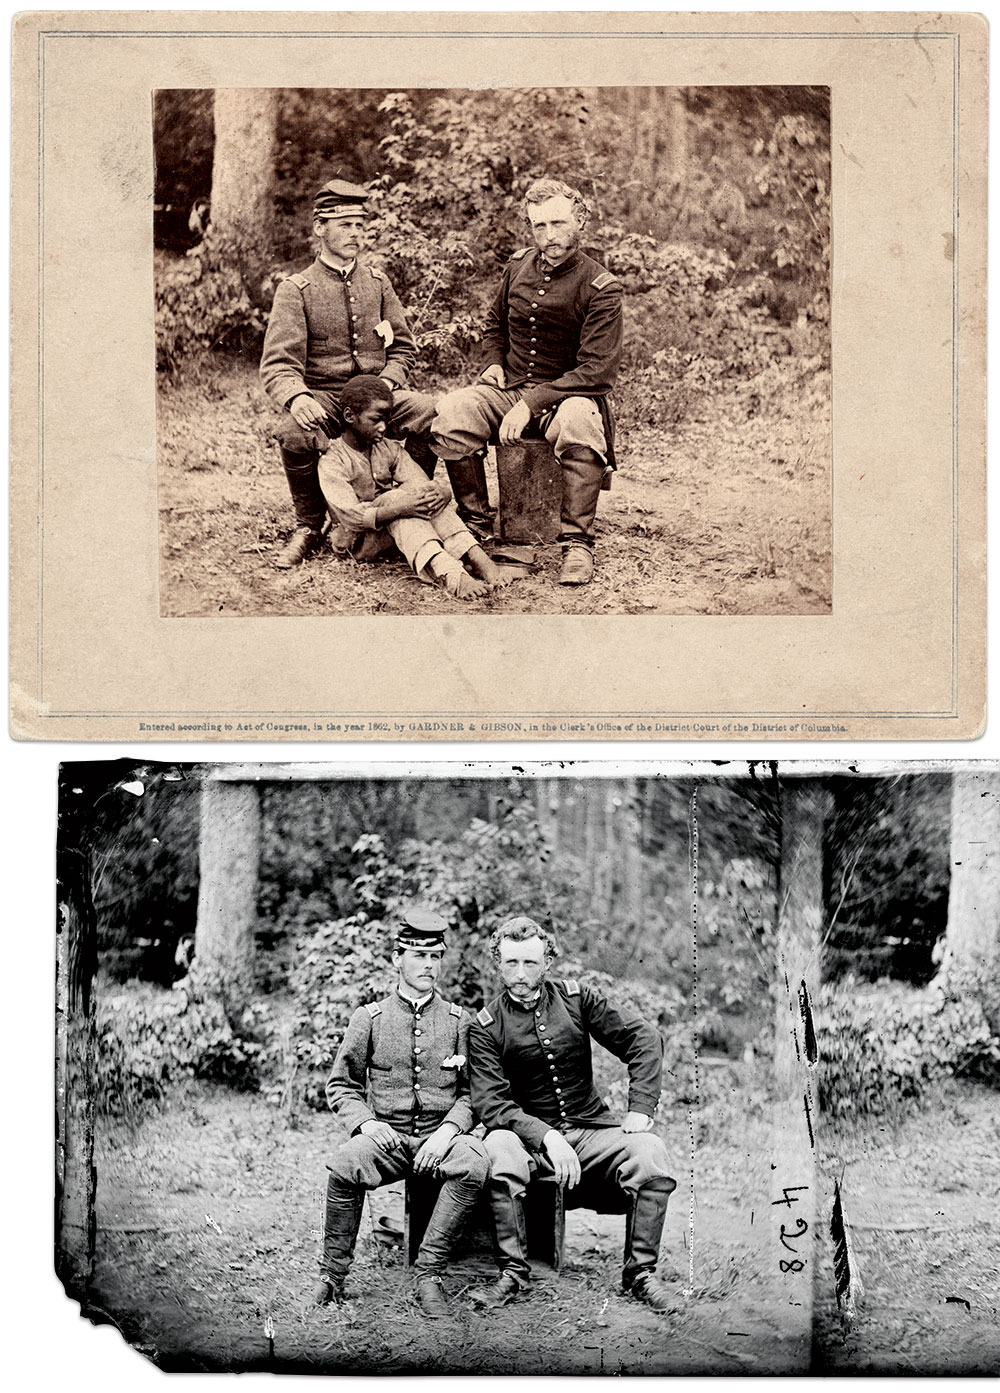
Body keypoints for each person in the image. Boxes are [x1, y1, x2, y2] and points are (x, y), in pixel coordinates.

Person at [468, 916, 677, 1312]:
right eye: (511, 963)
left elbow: (644, 1037)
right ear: (497, 963)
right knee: (498, 1145)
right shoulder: (485, 1026)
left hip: (590, 1132)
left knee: (649, 1152)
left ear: (548, 962)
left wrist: (641, 1108)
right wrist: (547, 1136)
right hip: (531, 1144)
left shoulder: (578, 998)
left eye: (530, 963)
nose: (520, 974)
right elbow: (492, 1104)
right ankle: (513, 1272)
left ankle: (640, 1275)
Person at [431, 178, 624, 585]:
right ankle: (476, 529)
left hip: (568, 395)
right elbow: (494, 324)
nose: (549, 236)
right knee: (452, 411)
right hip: (510, 387)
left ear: (581, 221)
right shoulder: (517, 266)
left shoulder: (601, 287)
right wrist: (493, 362)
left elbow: (596, 371)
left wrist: (531, 403)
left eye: (557, 223)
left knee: (579, 421)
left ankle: (577, 544)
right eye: (539, 226)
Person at [316, 908, 489, 1316]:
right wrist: (368, 1123)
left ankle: (428, 1273)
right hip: (388, 1139)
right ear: (398, 958)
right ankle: (332, 1276)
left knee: (475, 1162)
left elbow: (473, 1094)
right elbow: (341, 1085)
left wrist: (448, 1131)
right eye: (418, 956)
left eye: (435, 957)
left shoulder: (458, 1020)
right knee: (344, 1163)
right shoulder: (371, 1018)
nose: (429, 965)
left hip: (441, 1139)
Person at [260, 178, 438, 569]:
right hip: (325, 394)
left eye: (360, 225)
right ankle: (308, 525)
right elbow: (278, 364)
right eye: (344, 224)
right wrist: (298, 396)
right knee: (293, 429)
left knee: (427, 410)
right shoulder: (297, 289)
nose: (355, 233)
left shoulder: (377, 282)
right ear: (319, 228)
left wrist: (388, 383)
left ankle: (407, 503)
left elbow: (404, 347)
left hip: (377, 392)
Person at [317, 376, 517, 599]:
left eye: (386, 420)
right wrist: (401, 508)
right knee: (395, 500)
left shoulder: (388, 448)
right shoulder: (332, 460)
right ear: (349, 416)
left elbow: (419, 484)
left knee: (420, 495)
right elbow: (352, 518)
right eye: (376, 420)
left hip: (394, 534)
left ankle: (478, 559)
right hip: (357, 541)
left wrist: (441, 492)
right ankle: (450, 573)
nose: (383, 427)